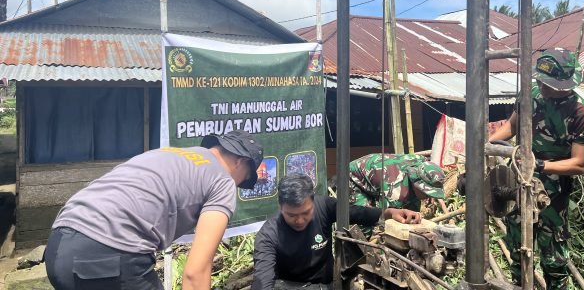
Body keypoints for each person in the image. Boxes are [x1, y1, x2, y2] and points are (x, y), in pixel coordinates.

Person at [44, 130, 264, 290]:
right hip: (108, 256)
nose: (238, 185)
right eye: (244, 179)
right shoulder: (222, 180)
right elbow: (195, 274)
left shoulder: (170, 154)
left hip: (58, 248)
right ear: (241, 162)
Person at [488, 48, 584, 289]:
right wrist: (489, 143)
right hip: (517, 181)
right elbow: (511, 127)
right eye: (540, 80)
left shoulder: (580, 112)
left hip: (553, 192)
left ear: (566, 83)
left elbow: (580, 163)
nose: (542, 86)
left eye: (549, 84)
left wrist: (541, 165)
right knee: (517, 247)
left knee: (553, 258)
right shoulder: (531, 95)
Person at [252, 174, 421, 290]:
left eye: (306, 213)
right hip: (292, 286)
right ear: (280, 207)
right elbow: (262, 280)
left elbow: (356, 213)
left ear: (313, 201)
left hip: (328, 284)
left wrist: (389, 213)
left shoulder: (324, 206)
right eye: (291, 215)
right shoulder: (268, 235)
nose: (300, 220)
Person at [348, 153, 446, 211]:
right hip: (353, 177)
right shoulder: (395, 191)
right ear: (417, 184)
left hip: (378, 178)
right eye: (426, 193)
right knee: (365, 220)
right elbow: (385, 218)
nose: (429, 197)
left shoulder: (421, 163)